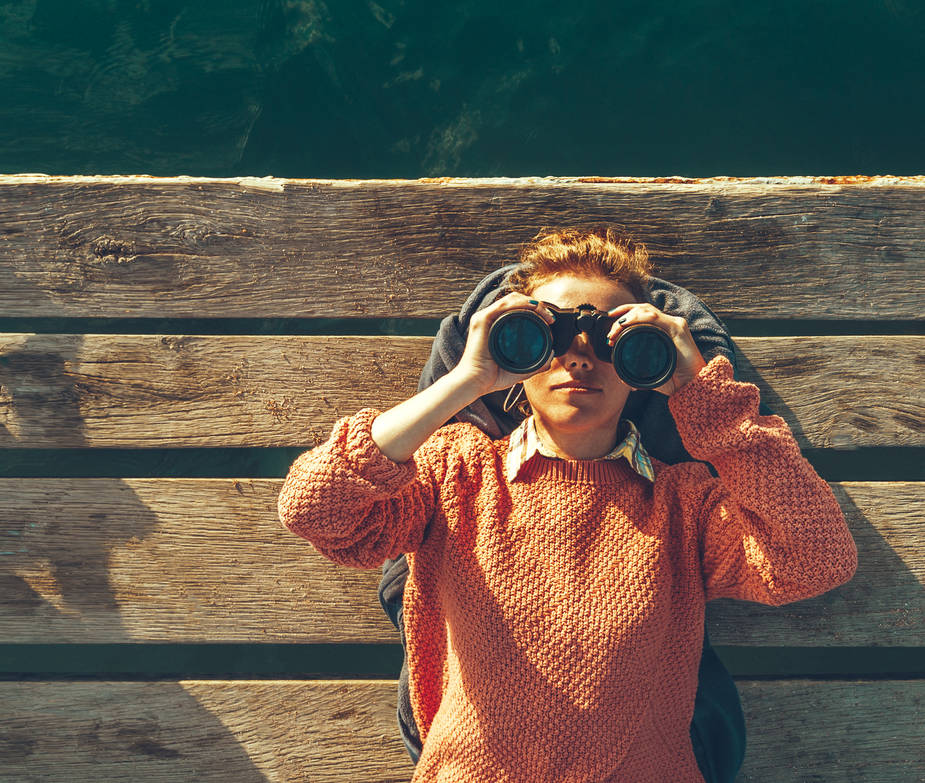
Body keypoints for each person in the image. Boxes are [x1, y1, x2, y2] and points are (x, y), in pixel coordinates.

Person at [277, 226, 858, 783]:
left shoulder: (684, 506)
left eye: (612, 341)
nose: (578, 357)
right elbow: (313, 506)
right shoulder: (455, 473)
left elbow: (815, 559)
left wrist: (699, 391)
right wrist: (465, 380)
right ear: (512, 354)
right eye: (544, 337)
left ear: (643, 369)